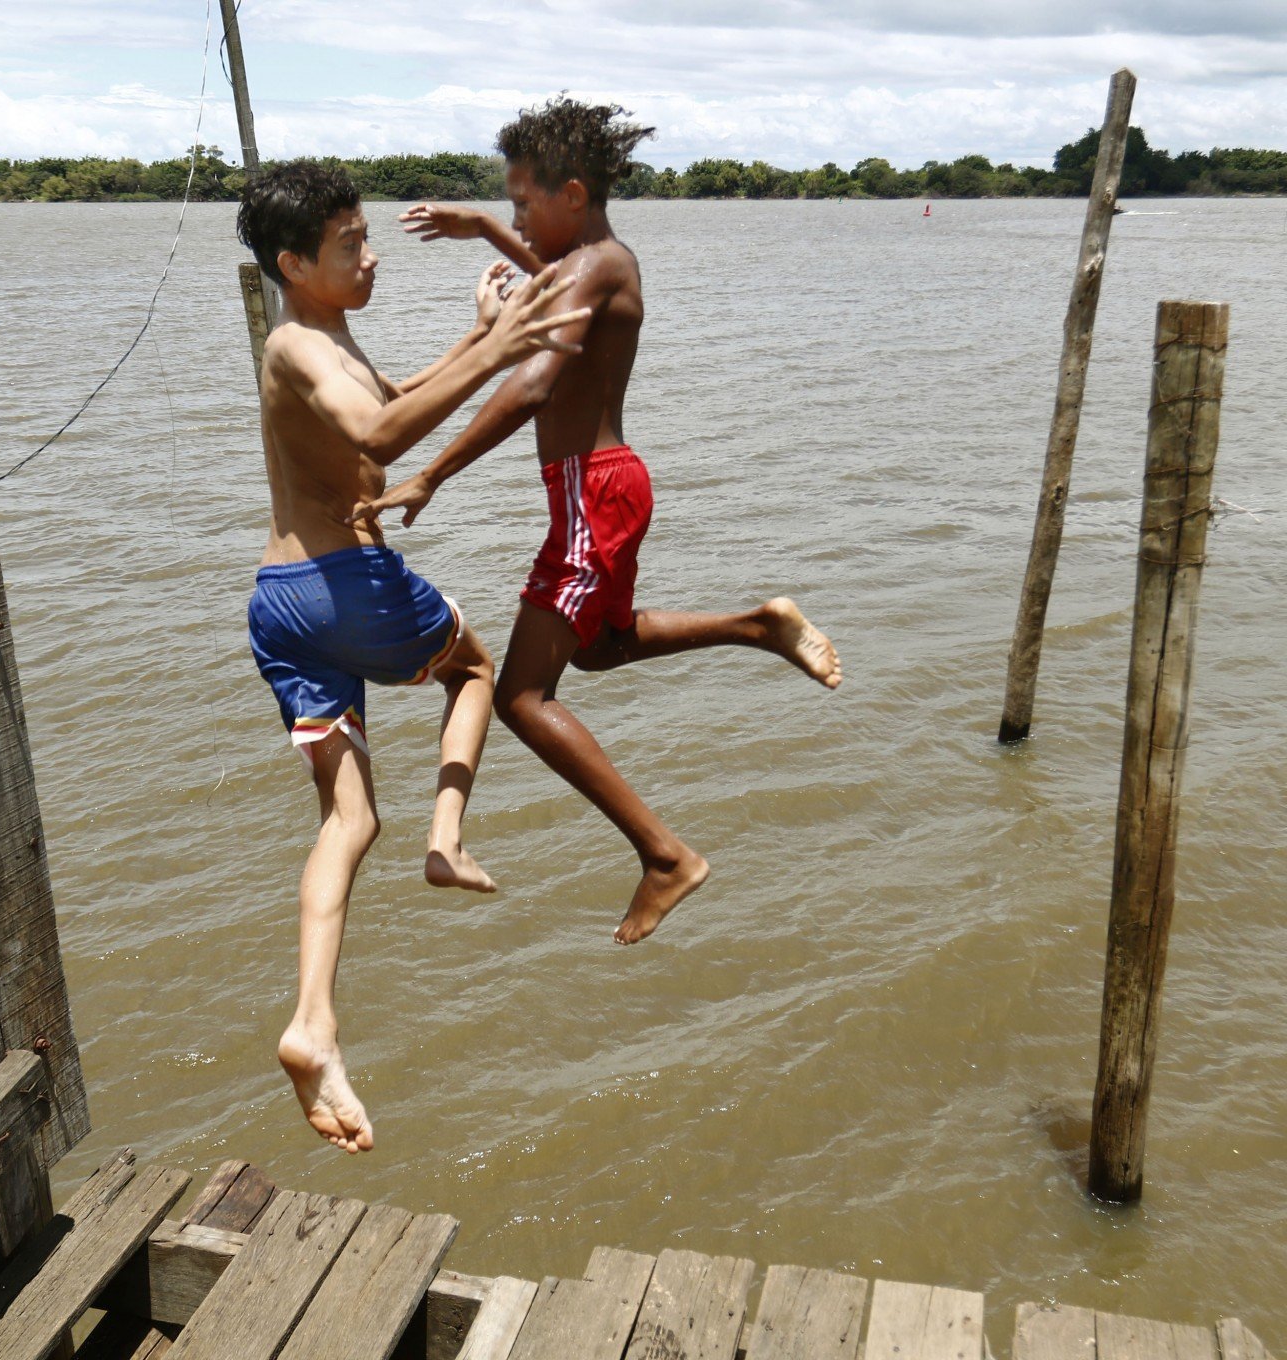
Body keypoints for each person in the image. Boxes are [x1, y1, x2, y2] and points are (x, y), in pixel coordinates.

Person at [354, 100, 842, 948]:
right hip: (604, 488)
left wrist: (430, 473)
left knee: (518, 696)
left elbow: (533, 382)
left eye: (521, 204)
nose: (515, 220)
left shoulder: (599, 265)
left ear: (570, 194)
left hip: (590, 494)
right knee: (602, 646)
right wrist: (492, 234)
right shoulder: (603, 260)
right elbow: (552, 276)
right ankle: (758, 624)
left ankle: (663, 855)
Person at [238, 159, 588, 1151]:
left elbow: (393, 396)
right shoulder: (293, 345)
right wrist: (502, 351)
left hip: (283, 605)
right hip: (346, 583)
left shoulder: (325, 333)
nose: (372, 254)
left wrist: (476, 338)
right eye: (349, 245)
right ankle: (449, 839)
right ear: (293, 261)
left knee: (348, 818)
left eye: (367, 236)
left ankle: (313, 1023)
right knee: (477, 669)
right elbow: (382, 432)